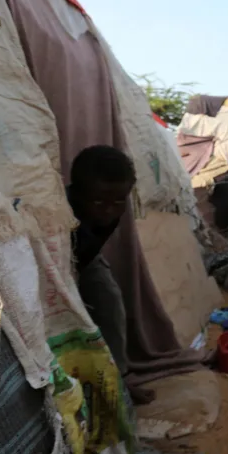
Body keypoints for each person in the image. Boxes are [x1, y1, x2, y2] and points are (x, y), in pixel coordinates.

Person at [68, 145, 155, 405]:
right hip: (55, 259)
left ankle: (120, 377)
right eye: (98, 202)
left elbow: (88, 252)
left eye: (118, 202)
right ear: (78, 193)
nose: (108, 210)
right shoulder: (61, 212)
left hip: (84, 257)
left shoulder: (111, 208)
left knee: (110, 302)